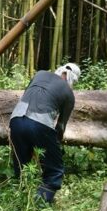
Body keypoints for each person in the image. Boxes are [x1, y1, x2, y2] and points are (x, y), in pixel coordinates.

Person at [9, 63, 81, 203]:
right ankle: (42, 200)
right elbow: (60, 126)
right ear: (73, 79)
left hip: (16, 119)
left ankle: (22, 196)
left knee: (21, 161)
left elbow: (27, 94)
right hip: (40, 124)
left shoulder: (40, 73)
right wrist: (55, 147)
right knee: (55, 168)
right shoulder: (69, 94)